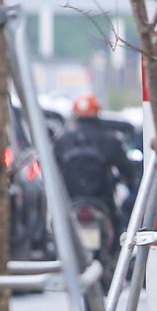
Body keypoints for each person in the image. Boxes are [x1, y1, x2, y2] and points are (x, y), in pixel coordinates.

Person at [53, 94, 140, 229]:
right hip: (103, 201)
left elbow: (51, 170)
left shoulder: (62, 141)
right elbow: (127, 170)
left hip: (69, 200)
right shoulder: (109, 140)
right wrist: (130, 182)